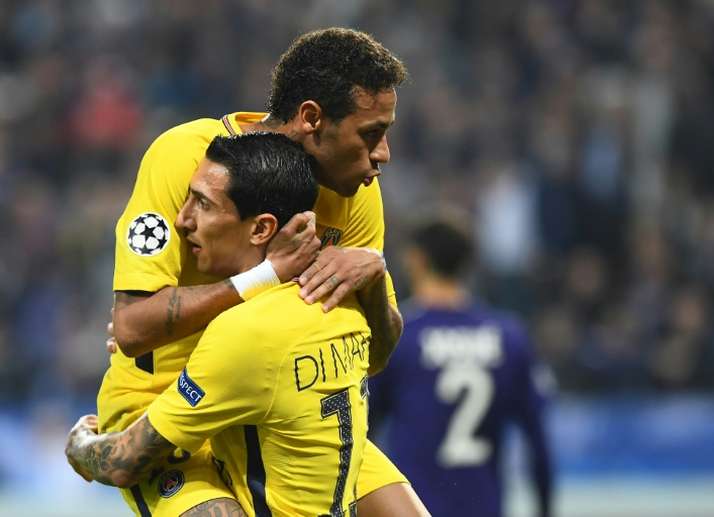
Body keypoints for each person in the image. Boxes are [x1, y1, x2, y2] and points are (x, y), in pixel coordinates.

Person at [93, 28, 427, 516]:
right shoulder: (189, 160)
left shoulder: (356, 194)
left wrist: (374, 276)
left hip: (287, 411)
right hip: (165, 409)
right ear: (311, 118)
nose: (383, 154)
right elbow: (132, 328)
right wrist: (268, 276)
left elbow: (373, 356)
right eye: (370, 134)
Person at [67, 132, 372, 516]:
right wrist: (375, 271)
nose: (182, 219)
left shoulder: (244, 334)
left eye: (203, 203)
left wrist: (80, 447)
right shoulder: (346, 306)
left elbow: (124, 461)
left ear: (260, 229)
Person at [369, 215, 555, 517]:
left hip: (413, 508)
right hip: (484, 507)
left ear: (417, 259)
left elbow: (362, 431)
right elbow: (538, 441)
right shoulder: (508, 336)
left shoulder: (397, 335)